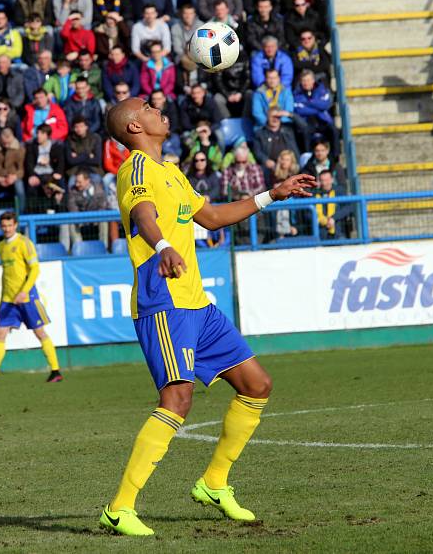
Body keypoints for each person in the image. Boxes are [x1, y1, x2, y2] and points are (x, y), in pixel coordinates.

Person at [99, 96, 313, 536]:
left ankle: (214, 483)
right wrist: (163, 246)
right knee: (176, 399)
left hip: (197, 303)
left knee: (257, 385)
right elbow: (143, 214)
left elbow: (212, 217)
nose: (159, 108)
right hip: (164, 302)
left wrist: (273, 193)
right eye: (147, 107)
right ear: (135, 128)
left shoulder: (171, 171)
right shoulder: (134, 168)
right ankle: (119, 507)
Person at [0, 210, 62, 386]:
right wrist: (4, 296)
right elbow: (7, 274)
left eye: (9, 225)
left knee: (39, 332)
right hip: (8, 299)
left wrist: (24, 291)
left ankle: (56, 371)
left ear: (16, 225)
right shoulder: (2, 246)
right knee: (0, 334)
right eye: (3, 226)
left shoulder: (24, 243)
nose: (6, 229)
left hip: (27, 297)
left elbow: (35, 269)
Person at [0, 127, 25, 212]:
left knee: (19, 186)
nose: (6, 145)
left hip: (13, 177)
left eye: (8, 143)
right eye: (4, 143)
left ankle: (21, 213)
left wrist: (14, 177)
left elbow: (22, 170)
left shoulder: (20, 149)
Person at [25, 124, 65, 208]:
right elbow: (29, 162)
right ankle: (33, 213)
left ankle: (61, 211)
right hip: (37, 174)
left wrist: (58, 172)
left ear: (47, 135)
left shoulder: (56, 147)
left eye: (42, 133)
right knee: (32, 188)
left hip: (51, 174)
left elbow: (61, 162)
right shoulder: (32, 147)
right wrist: (32, 175)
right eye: (38, 133)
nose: (38, 136)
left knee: (61, 187)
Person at [67, 167, 109, 244]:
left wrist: (95, 217)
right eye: (76, 182)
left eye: (79, 182)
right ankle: (78, 246)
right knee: (72, 223)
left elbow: (103, 206)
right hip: (80, 219)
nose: (77, 184)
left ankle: (104, 246)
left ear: (87, 181)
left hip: (97, 218)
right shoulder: (73, 190)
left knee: (104, 221)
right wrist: (80, 218)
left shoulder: (99, 190)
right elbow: (72, 207)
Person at [254, 107, 300, 174]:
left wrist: (290, 115)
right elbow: (257, 151)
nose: (275, 119)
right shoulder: (260, 133)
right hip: (272, 167)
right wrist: (265, 160)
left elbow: (304, 127)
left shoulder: (289, 129)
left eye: (278, 117)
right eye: (273, 116)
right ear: (267, 117)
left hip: (290, 164)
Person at [312, 169, 352, 240]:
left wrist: (334, 218)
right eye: (322, 180)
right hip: (319, 234)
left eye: (327, 180)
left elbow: (348, 207)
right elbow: (307, 213)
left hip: (339, 232)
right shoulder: (314, 194)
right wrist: (321, 220)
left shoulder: (339, 191)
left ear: (332, 180)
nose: (324, 183)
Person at [65, 116, 102, 185]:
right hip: (75, 171)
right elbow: (70, 161)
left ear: (86, 127)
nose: (79, 129)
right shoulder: (70, 140)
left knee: (97, 181)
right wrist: (87, 155)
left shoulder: (95, 138)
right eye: (76, 127)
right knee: (71, 183)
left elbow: (97, 160)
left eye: (81, 126)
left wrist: (78, 157)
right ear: (73, 128)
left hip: (92, 170)